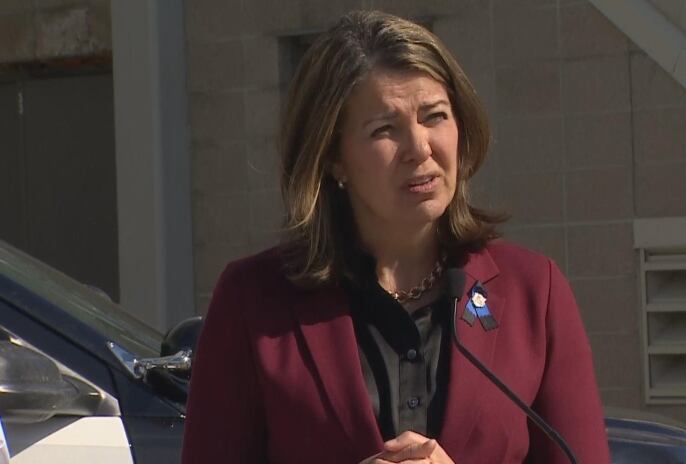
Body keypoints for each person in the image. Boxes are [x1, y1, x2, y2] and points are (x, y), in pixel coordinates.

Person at [182, 10, 610, 464]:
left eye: (435, 116)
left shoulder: (533, 291)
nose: (420, 148)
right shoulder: (253, 301)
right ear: (333, 158)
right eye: (385, 129)